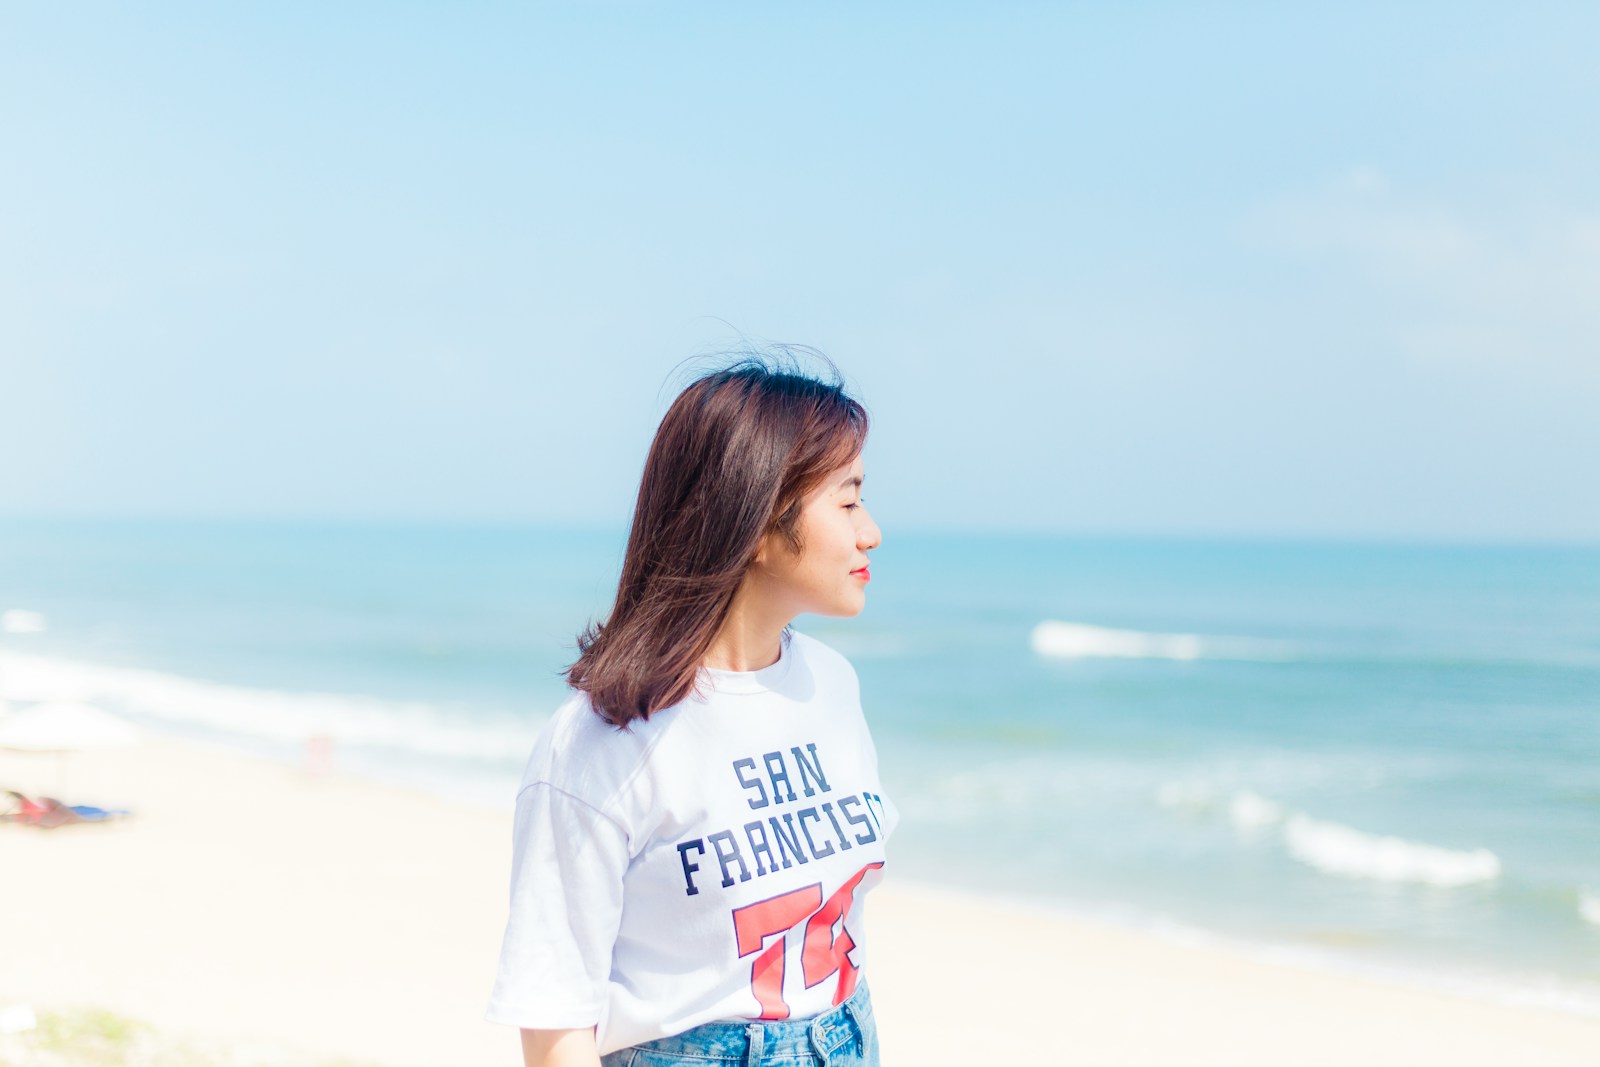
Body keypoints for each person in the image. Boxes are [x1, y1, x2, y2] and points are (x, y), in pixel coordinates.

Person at [486, 355, 896, 1067]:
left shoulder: (832, 685)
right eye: (849, 498)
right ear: (761, 517)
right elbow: (555, 1018)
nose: (872, 531)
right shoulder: (605, 740)